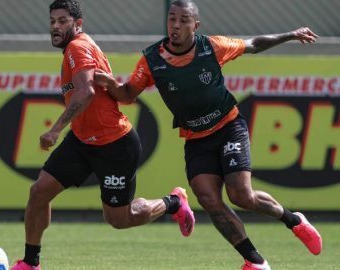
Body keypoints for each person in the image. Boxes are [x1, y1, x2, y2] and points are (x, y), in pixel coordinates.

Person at [94, 1, 322, 269]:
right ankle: (255, 262)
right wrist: (112, 85)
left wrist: (291, 35)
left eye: (183, 20)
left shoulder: (212, 47)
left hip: (228, 127)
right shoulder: (152, 60)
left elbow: (254, 44)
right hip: (196, 138)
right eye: (172, 19)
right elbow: (128, 94)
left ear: (195, 25)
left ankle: (293, 220)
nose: (176, 26)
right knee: (209, 199)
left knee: (241, 195)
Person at [11, 1, 195, 269]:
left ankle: (174, 203)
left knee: (121, 219)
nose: (55, 27)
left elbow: (86, 92)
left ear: (78, 24)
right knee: (39, 193)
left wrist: (55, 129)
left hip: (115, 145)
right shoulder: (76, 46)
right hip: (82, 140)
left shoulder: (78, 47)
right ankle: (30, 263)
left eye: (63, 21)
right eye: (52, 21)